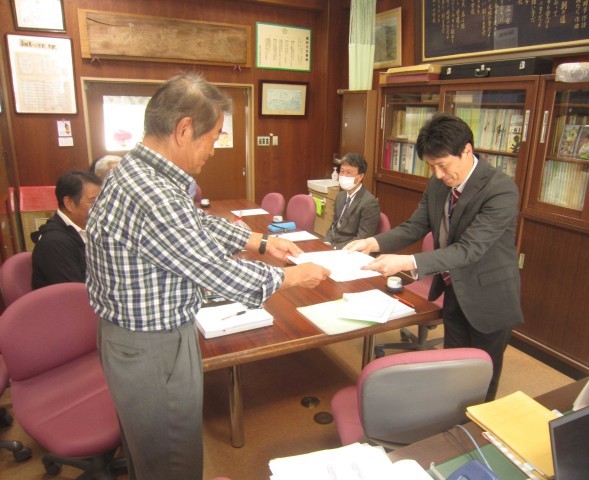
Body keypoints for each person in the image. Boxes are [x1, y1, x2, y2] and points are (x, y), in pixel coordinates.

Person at [85, 72, 329, 480]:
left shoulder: (138, 171)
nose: (214, 150)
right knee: (172, 461)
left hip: (134, 340)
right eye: (213, 138)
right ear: (184, 130)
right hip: (153, 348)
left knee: (153, 456)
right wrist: (292, 277)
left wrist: (260, 242)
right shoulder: (155, 193)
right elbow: (215, 271)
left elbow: (193, 225)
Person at [345, 113, 524, 401]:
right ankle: (449, 423)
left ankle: (473, 428)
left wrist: (408, 262)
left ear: (467, 150)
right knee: (452, 371)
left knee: (480, 379)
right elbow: (416, 226)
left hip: (489, 297)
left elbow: (469, 249)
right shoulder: (438, 184)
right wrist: (372, 242)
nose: (438, 174)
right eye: (432, 166)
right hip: (455, 290)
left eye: (443, 165)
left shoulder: (500, 189)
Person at [31, 170, 102, 289]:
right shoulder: (53, 243)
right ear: (69, 203)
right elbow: (75, 292)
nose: (102, 207)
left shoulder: (88, 228)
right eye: (94, 201)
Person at [323, 153, 380, 249]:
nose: (343, 176)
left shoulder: (369, 203)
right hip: (333, 246)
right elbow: (334, 226)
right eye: (342, 171)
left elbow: (362, 238)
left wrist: (336, 248)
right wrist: (327, 242)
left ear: (360, 177)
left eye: (349, 173)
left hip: (350, 250)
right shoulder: (340, 196)